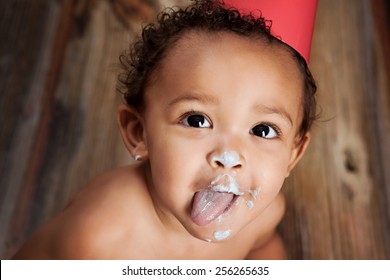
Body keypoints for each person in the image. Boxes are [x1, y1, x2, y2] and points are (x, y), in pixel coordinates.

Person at [13, 0, 317, 259]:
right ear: (138, 133)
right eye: (197, 120)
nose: (229, 156)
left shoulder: (264, 215)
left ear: (293, 154)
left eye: (263, 130)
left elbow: (263, 249)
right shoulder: (100, 244)